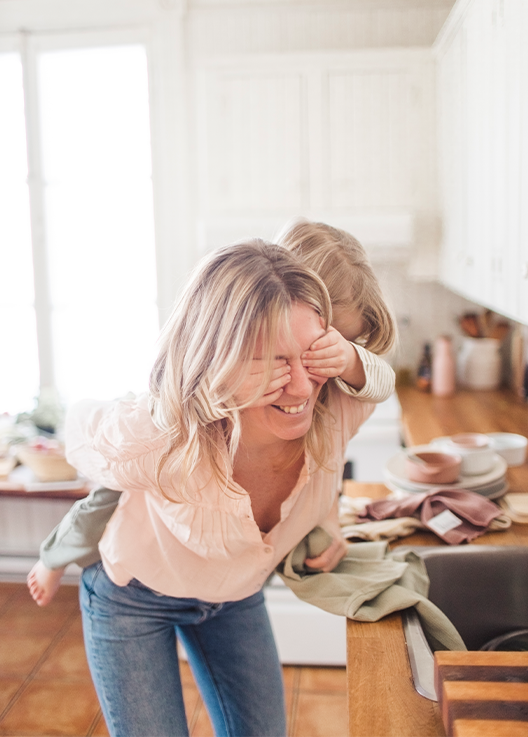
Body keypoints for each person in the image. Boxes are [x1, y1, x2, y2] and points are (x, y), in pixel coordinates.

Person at [27, 238, 396, 737]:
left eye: (314, 356)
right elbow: (80, 431)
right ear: (218, 360)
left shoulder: (338, 408)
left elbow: (378, 377)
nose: (305, 387)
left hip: (235, 595)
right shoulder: (158, 435)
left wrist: (349, 360)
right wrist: (193, 404)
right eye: (274, 362)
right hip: (133, 596)